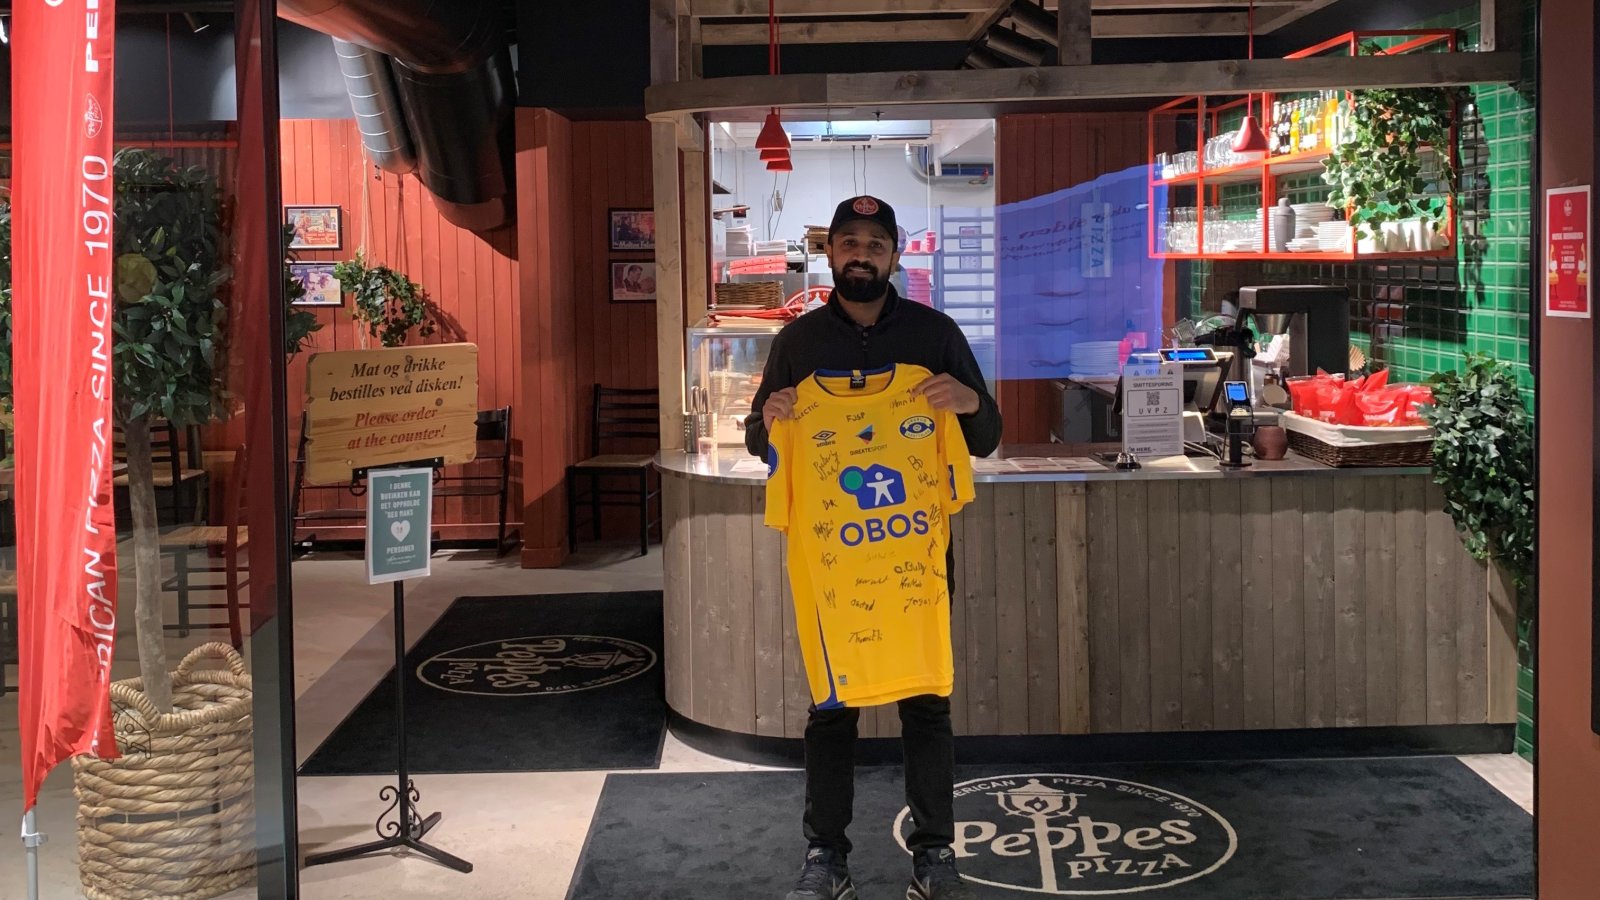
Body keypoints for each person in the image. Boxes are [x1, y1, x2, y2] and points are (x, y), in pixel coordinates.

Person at [745, 195, 1002, 900]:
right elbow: (762, 443)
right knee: (832, 708)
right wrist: (768, 419)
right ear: (830, 251)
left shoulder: (935, 335)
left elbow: (987, 437)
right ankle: (825, 856)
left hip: (916, 562)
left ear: (894, 254)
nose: (862, 254)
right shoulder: (796, 344)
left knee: (927, 702)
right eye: (850, 242)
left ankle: (935, 856)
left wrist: (969, 403)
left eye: (875, 244)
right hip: (835, 570)